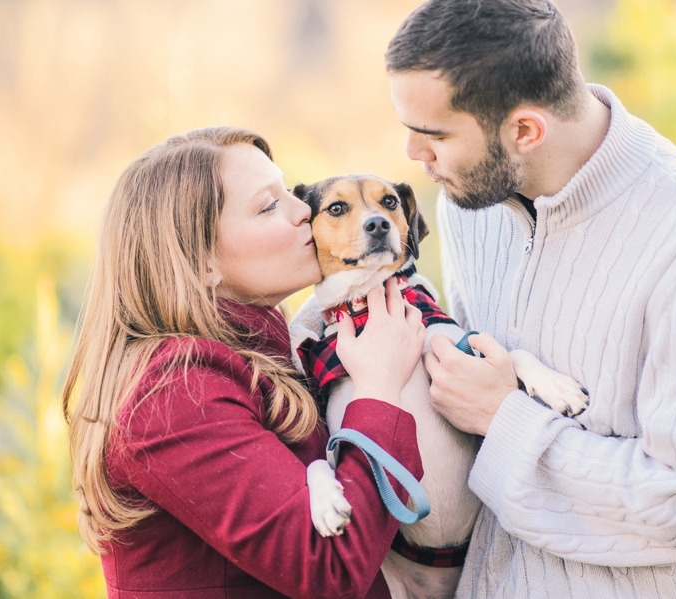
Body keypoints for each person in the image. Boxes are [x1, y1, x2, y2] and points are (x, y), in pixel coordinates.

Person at [386, 1, 676, 597]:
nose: (414, 154)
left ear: (524, 131)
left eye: (434, 134)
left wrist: (503, 419)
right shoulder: (469, 203)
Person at [61, 126, 427, 599]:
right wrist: (379, 389)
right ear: (201, 263)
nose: (303, 211)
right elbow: (328, 568)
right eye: (269, 205)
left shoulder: (273, 347)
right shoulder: (174, 395)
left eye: (288, 191)